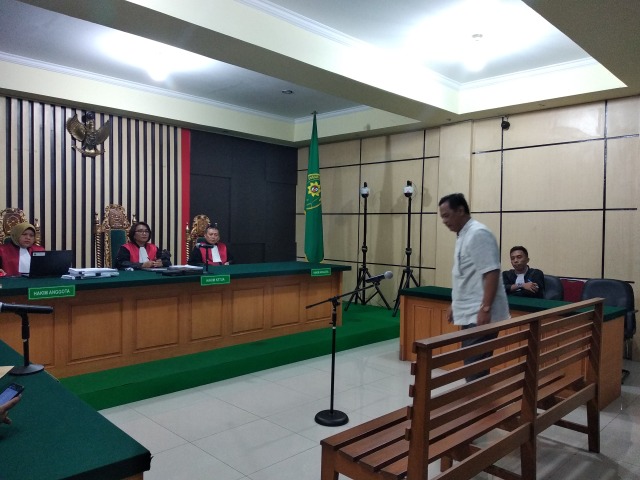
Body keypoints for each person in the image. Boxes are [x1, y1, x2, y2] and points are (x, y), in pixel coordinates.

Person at [438, 193, 510, 382]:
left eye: (446, 215)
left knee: (474, 370)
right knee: (473, 366)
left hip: (480, 314)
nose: (444, 221)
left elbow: (491, 272)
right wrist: (456, 303)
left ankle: (478, 408)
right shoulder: (463, 234)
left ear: (460, 210)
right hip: (471, 312)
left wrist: (485, 308)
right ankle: (479, 407)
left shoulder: (478, 233)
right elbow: (465, 275)